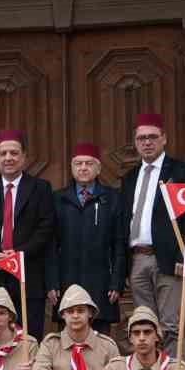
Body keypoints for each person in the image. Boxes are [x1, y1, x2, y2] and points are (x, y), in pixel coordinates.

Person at [119, 113, 185, 352]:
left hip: (168, 258)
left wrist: (182, 255)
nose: (147, 142)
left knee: (169, 325)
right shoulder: (129, 177)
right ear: (136, 142)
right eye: (142, 138)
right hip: (137, 259)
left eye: (152, 137)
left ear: (163, 139)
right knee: (145, 326)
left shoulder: (182, 171)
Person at [0, 129, 55, 335]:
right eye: (3, 153)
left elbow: (45, 228)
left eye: (14, 153)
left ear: (24, 157)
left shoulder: (40, 188)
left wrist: (19, 253)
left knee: (29, 338)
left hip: (28, 275)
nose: (8, 158)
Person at [48, 142, 126, 337]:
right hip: (66, 280)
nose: (83, 168)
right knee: (67, 337)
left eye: (89, 163)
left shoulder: (112, 198)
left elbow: (119, 243)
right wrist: (52, 282)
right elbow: (50, 244)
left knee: (100, 337)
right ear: (72, 168)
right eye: (78, 164)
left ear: (98, 168)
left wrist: (117, 281)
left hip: (101, 282)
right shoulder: (58, 199)